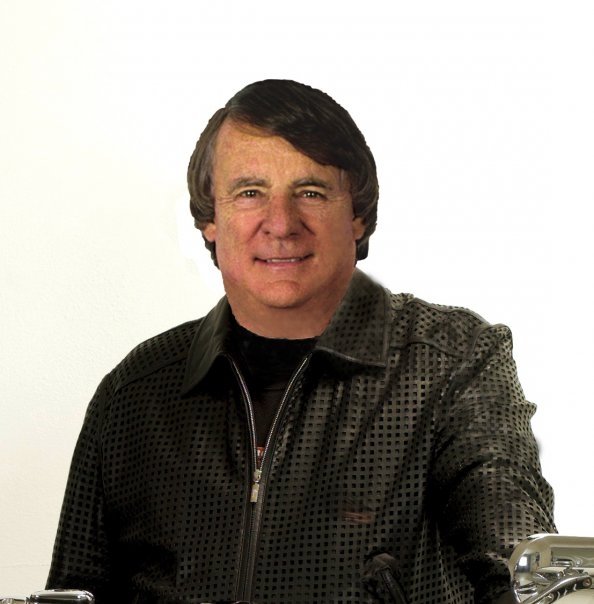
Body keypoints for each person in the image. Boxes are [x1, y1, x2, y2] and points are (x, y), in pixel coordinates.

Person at [47, 79, 555, 604]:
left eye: (310, 192)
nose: (281, 224)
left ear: (357, 215)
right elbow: (74, 593)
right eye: (250, 193)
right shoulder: (134, 393)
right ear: (210, 220)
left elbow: (521, 563)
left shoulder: (451, 363)